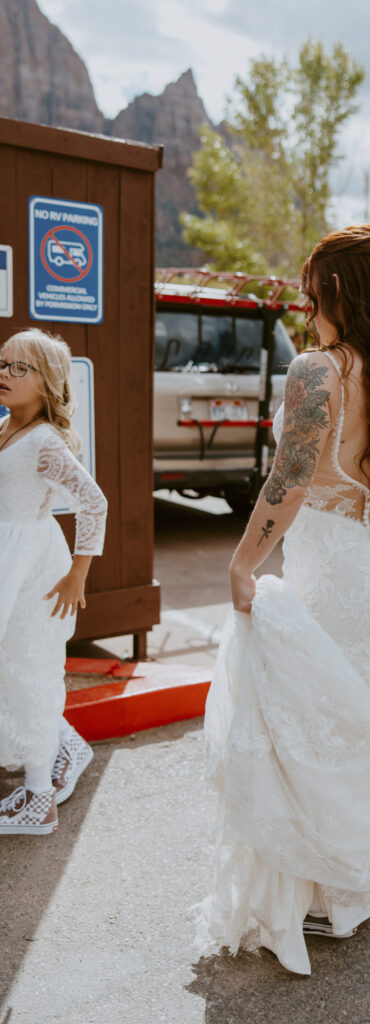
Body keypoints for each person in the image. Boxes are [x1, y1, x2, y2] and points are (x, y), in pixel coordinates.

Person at [195, 225, 370, 975]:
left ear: (331, 293)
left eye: (310, 293)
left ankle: (318, 895)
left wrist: (243, 564)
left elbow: (289, 480)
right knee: (368, 721)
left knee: (305, 725)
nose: (305, 308)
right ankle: (360, 881)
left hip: (331, 569)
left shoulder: (317, 372)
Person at [0, 329, 107, 835]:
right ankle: (63, 746)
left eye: (21, 368)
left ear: (47, 384)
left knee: (27, 669)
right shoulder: (5, 428)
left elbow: (94, 502)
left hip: (31, 568)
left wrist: (77, 574)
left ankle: (40, 798)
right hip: (8, 562)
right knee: (11, 666)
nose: (5, 373)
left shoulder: (42, 441)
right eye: (3, 363)